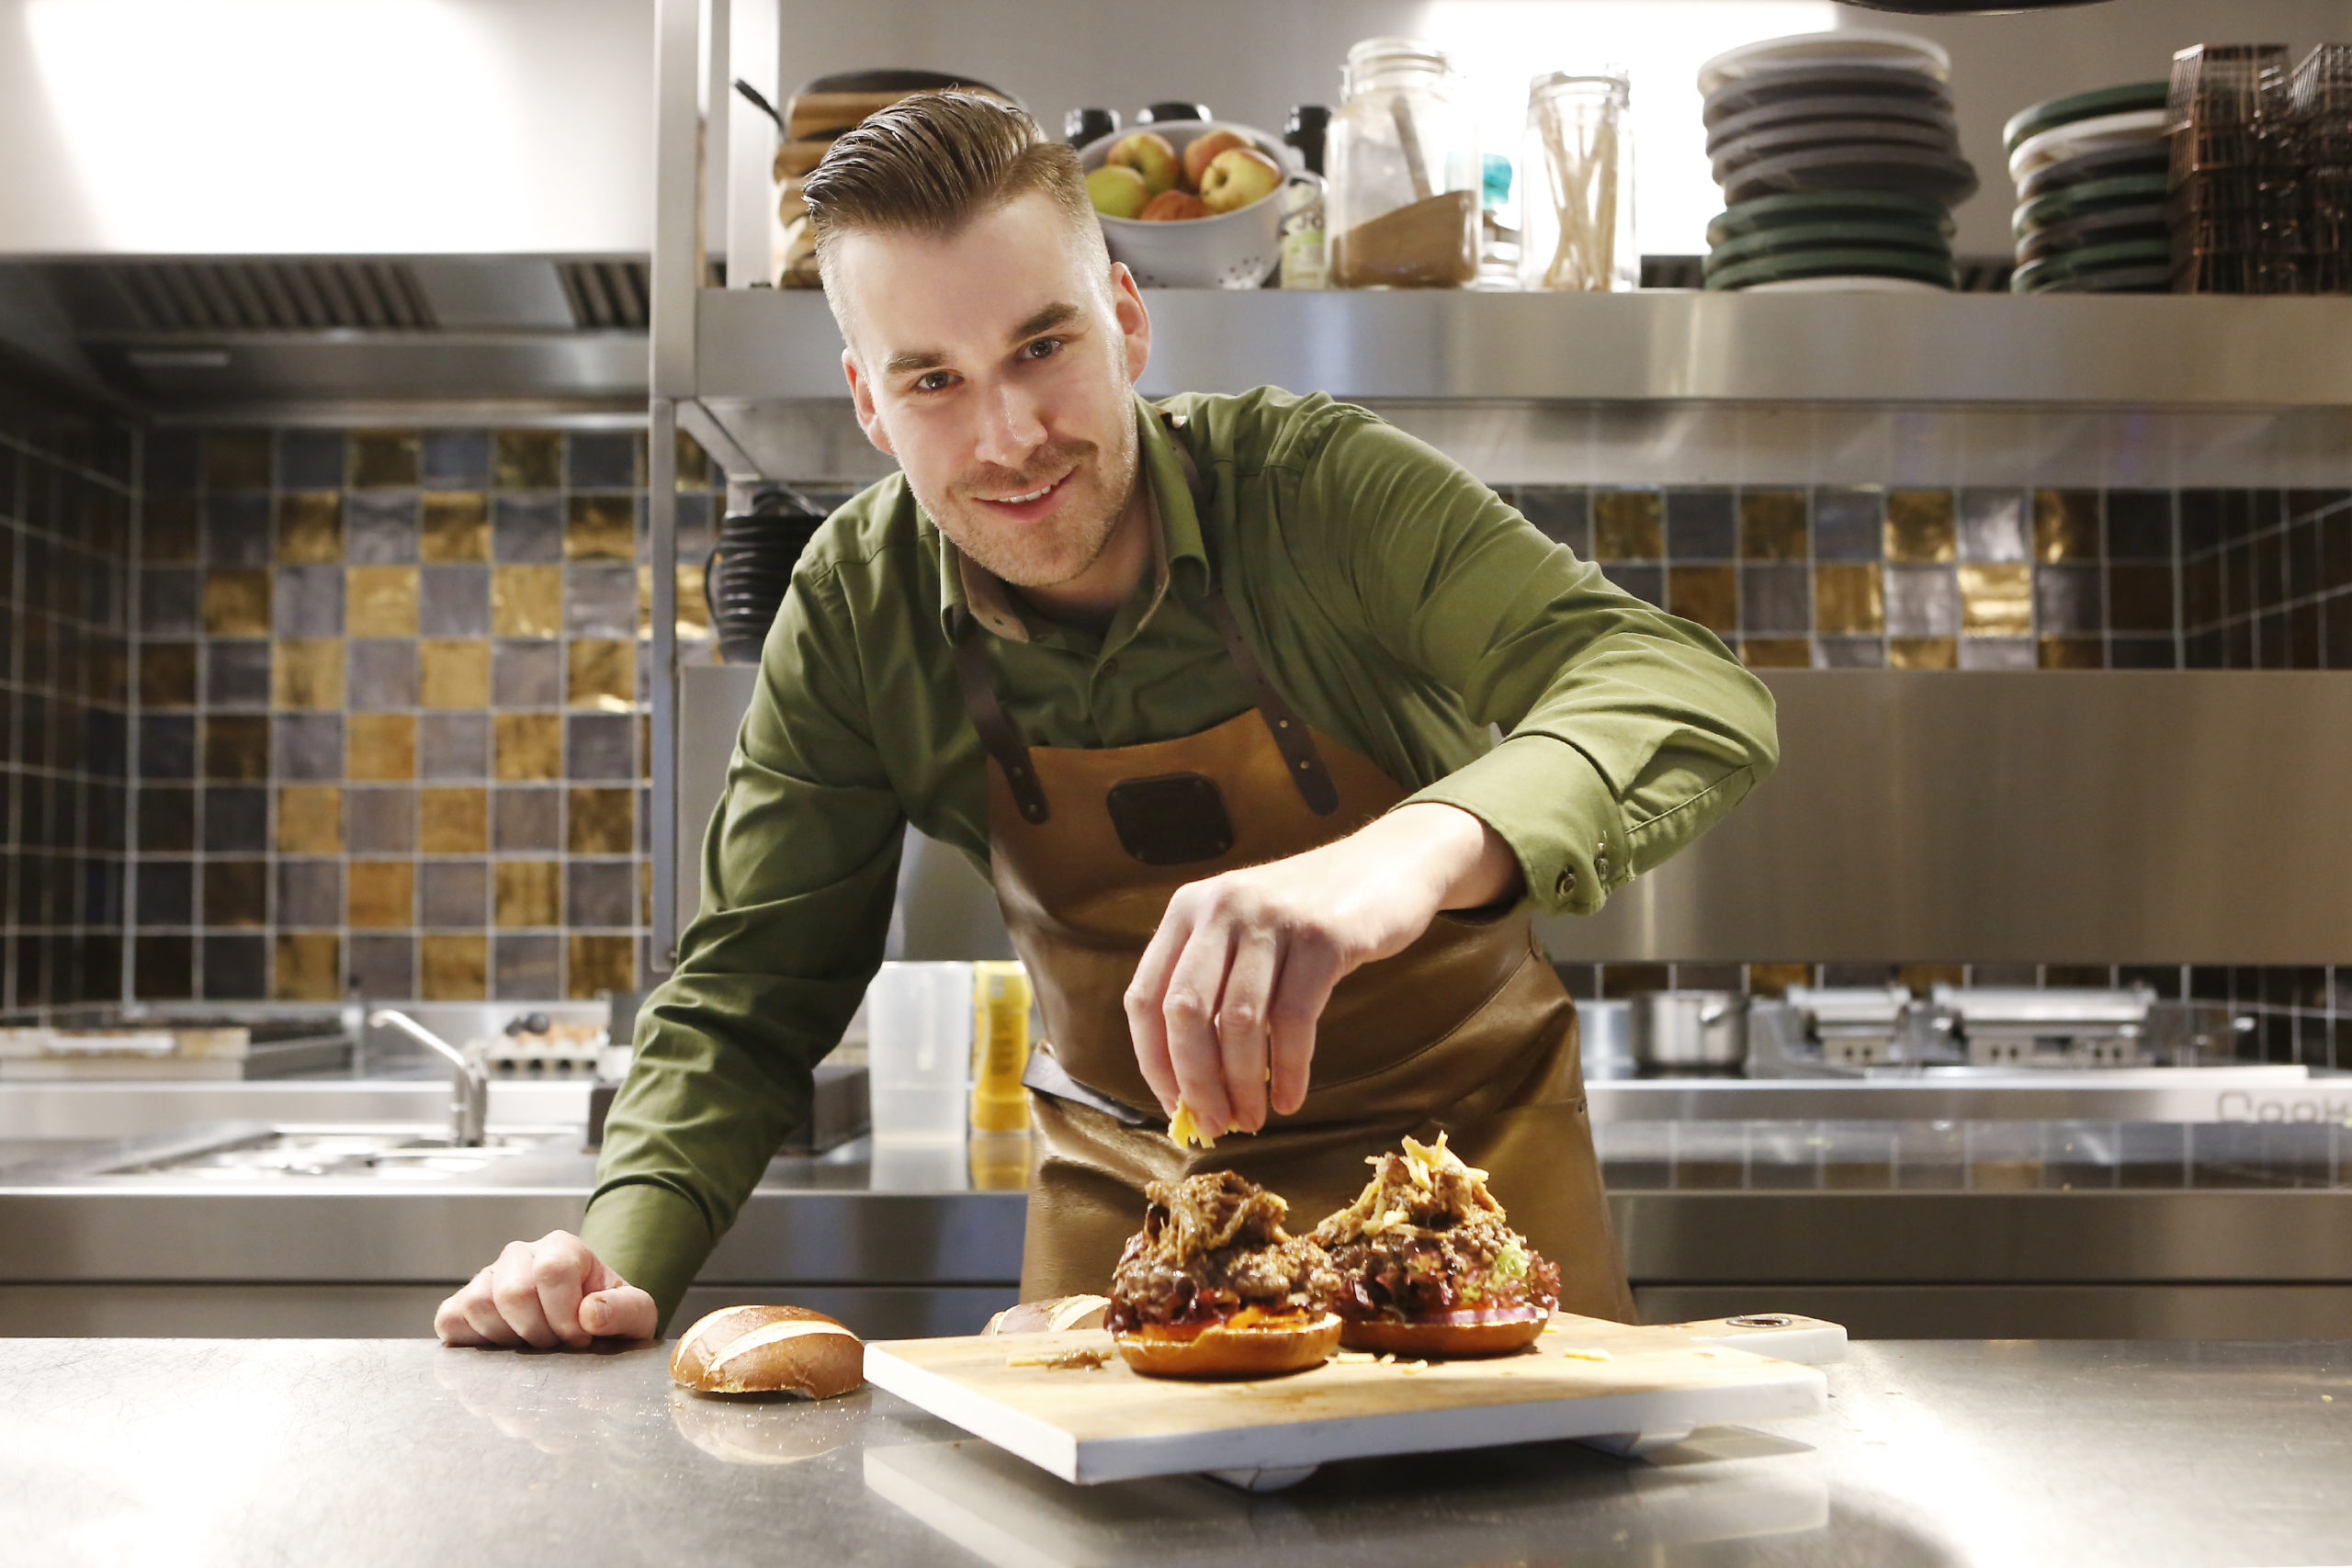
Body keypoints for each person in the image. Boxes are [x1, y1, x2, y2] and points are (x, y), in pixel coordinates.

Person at [434, 91, 1777, 1350]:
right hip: (1129, 1212)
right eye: (933, 383)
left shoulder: (1317, 492)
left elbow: (1680, 683)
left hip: (1472, 1185)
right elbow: (746, 996)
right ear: (867, 403)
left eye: (1041, 346)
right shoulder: (855, 606)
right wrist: (617, 1259)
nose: (1009, 435)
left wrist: (1410, 848)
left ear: (1127, 321)